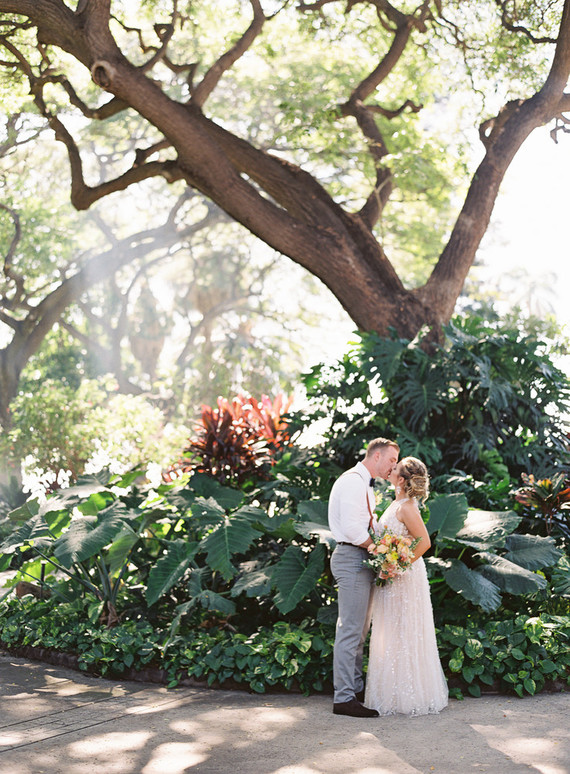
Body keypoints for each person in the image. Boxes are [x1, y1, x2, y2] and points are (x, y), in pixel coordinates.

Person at [365, 456, 448, 716]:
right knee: (392, 630)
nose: (389, 471)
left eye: (394, 470)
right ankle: (392, 693)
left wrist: (397, 567)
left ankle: (409, 696)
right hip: (394, 574)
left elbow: (423, 542)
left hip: (405, 576)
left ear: (401, 479)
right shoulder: (397, 503)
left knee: (404, 630)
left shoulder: (407, 507)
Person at [328, 437, 400, 717]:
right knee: (350, 630)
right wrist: (378, 550)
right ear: (377, 456)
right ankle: (344, 698)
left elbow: (366, 524)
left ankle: (354, 690)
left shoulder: (364, 484)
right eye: (392, 460)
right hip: (351, 558)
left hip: (361, 559)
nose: (393, 467)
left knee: (359, 631)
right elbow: (352, 529)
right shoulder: (351, 482)